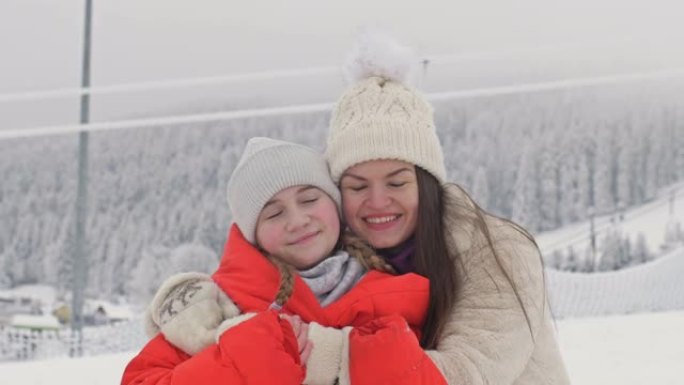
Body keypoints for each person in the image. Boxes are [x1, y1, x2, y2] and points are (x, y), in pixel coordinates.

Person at [121, 137, 441, 385]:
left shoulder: (402, 296)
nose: (298, 220)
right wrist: (245, 359)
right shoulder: (217, 306)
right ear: (253, 235)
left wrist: (367, 357)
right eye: (274, 213)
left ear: (335, 205)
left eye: (310, 199)